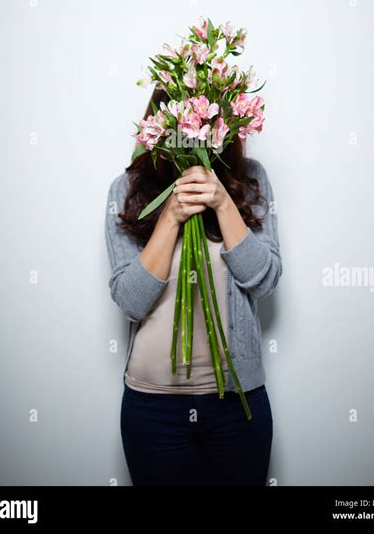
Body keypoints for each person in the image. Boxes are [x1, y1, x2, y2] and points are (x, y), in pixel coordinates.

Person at [105, 87, 282, 487]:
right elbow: (131, 300)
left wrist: (222, 203)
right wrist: (169, 216)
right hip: (152, 409)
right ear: (161, 122)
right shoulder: (127, 189)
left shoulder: (250, 180)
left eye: (205, 118)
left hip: (238, 406)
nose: (195, 130)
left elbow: (265, 280)